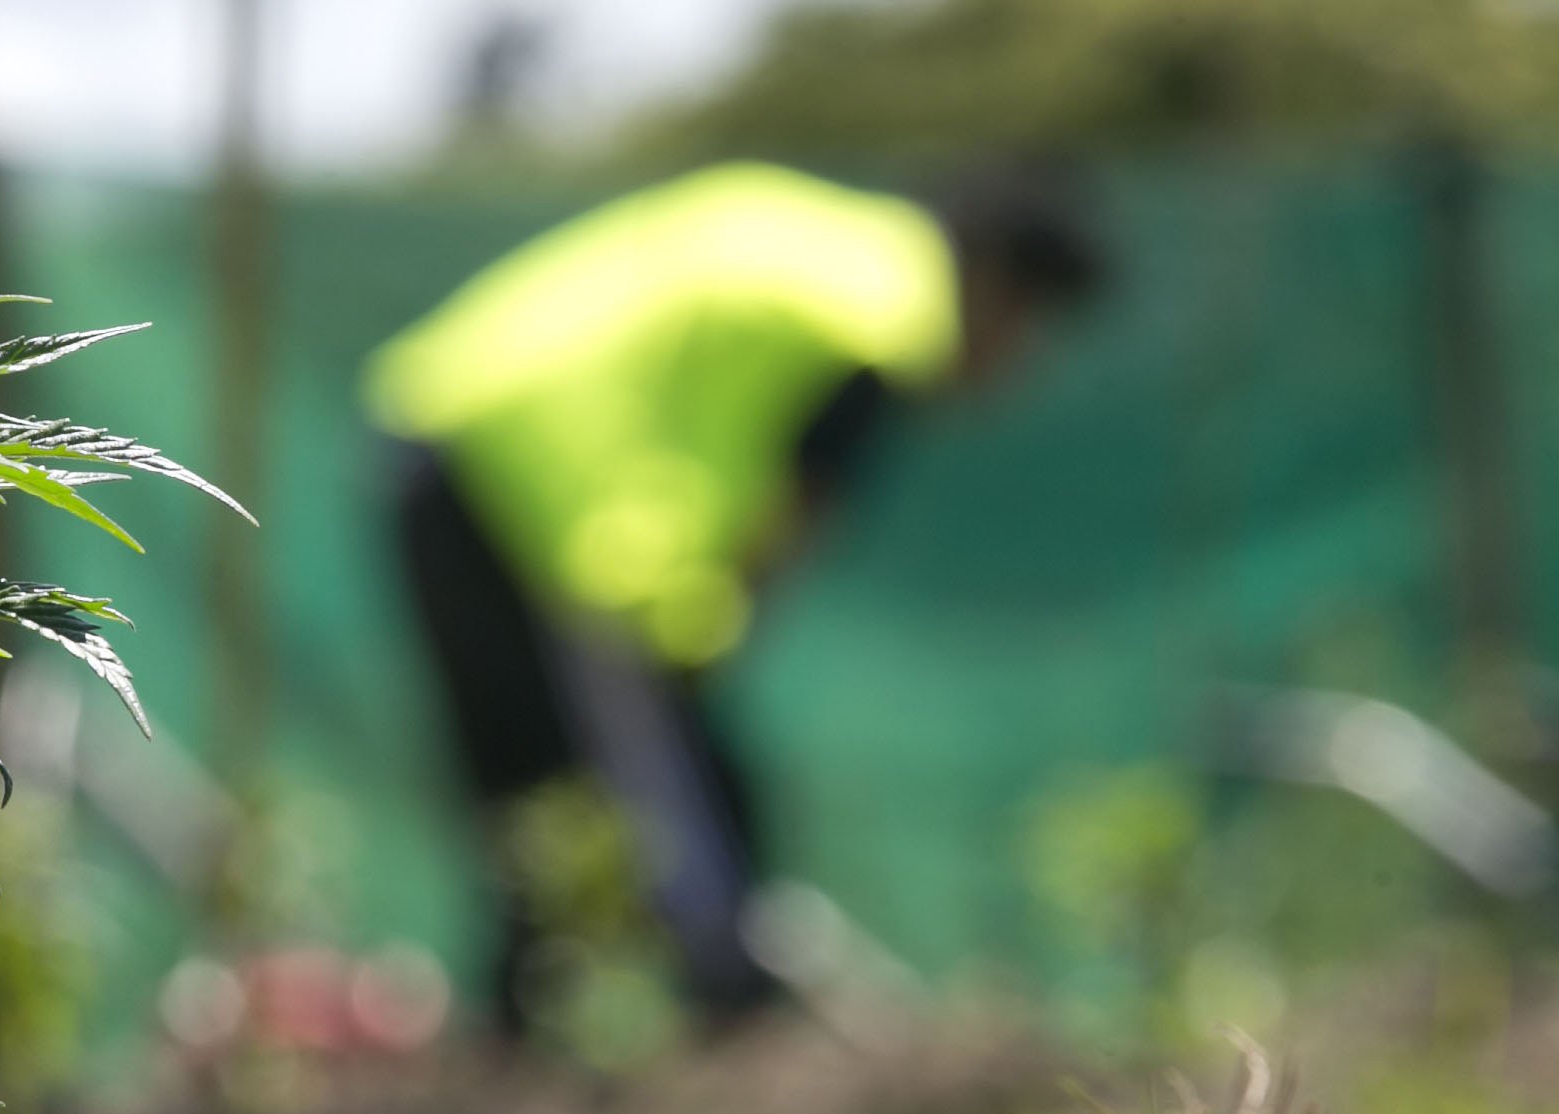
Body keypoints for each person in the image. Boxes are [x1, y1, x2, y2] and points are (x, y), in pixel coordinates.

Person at [366, 160, 1103, 1039]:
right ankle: (736, 1045)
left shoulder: (839, 248)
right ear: (991, 282)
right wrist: (696, 633)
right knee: (684, 823)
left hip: (449, 427)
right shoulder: (886, 320)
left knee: (539, 800)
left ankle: (520, 1056)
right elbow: (785, 525)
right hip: (534, 489)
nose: (1016, 364)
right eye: (1026, 329)